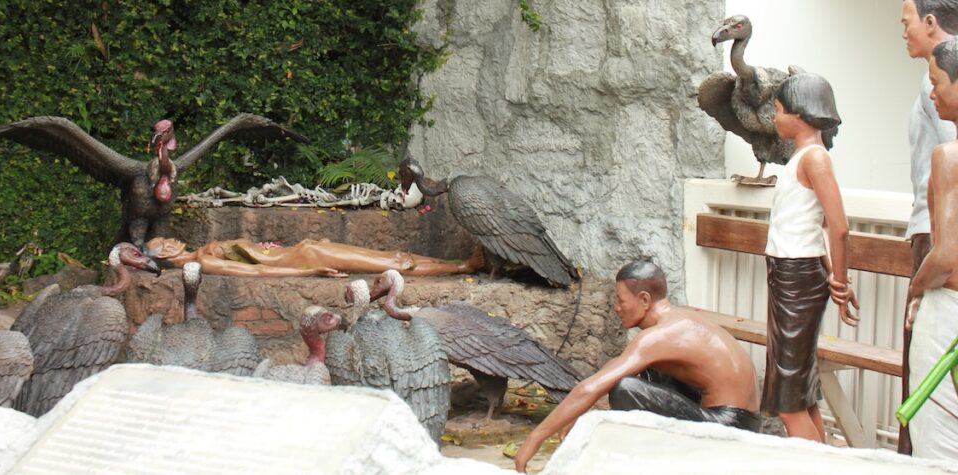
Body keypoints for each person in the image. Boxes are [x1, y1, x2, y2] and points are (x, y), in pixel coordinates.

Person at [513, 260, 760, 473]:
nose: (616, 308)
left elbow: (592, 389)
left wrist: (535, 439)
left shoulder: (660, 335)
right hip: (739, 418)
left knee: (625, 388)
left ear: (644, 300)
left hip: (729, 427)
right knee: (641, 369)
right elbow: (614, 367)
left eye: (621, 301)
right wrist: (574, 414)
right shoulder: (677, 319)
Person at [764, 72, 858, 442]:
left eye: (778, 110)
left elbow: (839, 227)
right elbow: (819, 227)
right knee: (799, 390)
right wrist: (832, 272)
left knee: (788, 397)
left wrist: (839, 279)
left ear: (799, 114)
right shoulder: (804, 158)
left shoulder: (814, 159)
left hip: (797, 277)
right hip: (790, 273)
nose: (775, 118)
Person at [897, 0, 958, 454]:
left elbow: (947, 247)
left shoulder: (934, 83)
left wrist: (919, 284)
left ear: (931, 22)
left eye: (907, 21)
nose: (903, 32)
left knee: (927, 397)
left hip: (937, 240)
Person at [145, 235, 485, 278]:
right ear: (163, 255)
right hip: (306, 256)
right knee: (391, 264)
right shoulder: (203, 262)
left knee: (393, 255)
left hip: (305, 247)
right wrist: (310, 271)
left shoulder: (202, 251)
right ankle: (465, 267)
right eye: (165, 242)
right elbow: (259, 274)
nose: (172, 238)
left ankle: (461, 264)